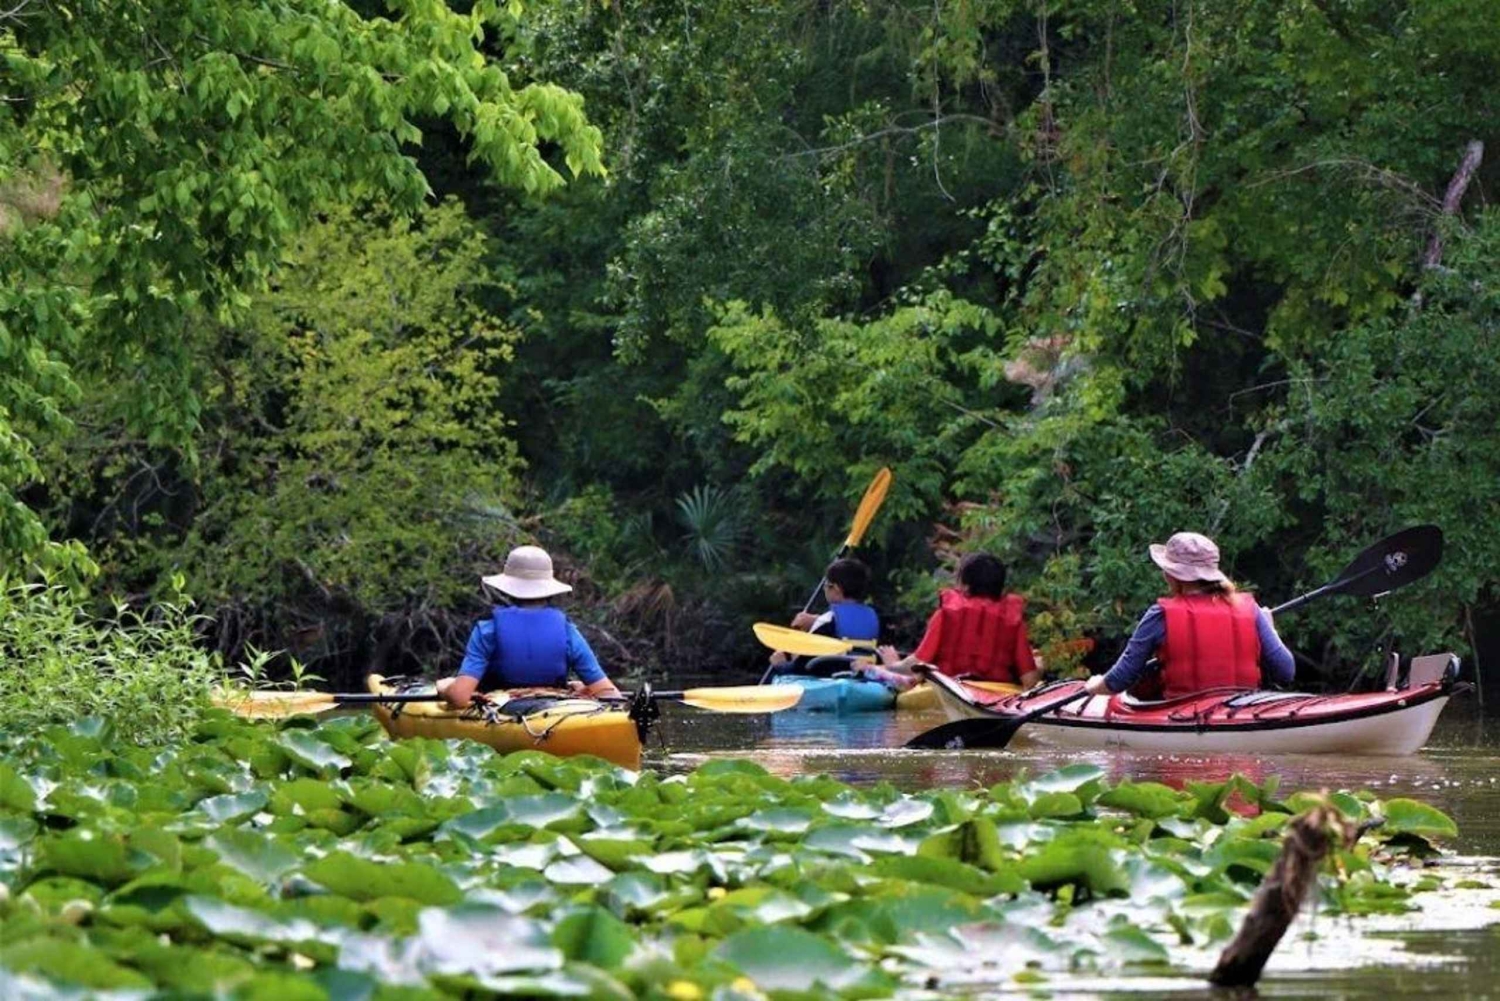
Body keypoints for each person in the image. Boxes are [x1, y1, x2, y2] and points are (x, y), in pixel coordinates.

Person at [1083, 531, 1295, 699]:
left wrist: (1094, 686)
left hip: (1186, 716)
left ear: (1171, 574)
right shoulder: (1250, 609)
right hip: (1243, 710)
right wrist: (1271, 629)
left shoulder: (1160, 615)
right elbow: (1286, 672)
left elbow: (1119, 681)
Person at [438, 545, 622, 708]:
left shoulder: (487, 631)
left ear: (507, 588)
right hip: (554, 711)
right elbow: (611, 696)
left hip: (501, 709)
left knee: (449, 684)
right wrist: (587, 689)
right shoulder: (567, 632)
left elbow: (459, 698)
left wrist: (445, 688)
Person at [870, 552, 1041, 690]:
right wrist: (1040, 667)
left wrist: (892, 664)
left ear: (965, 585)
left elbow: (916, 664)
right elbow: (1030, 680)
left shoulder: (946, 614)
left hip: (949, 689)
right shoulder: (1012, 620)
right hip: (998, 694)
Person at [765, 558, 880, 676]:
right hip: (864, 681)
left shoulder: (827, 621)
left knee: (777, 669)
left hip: (829, 684)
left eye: (826, 585)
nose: (824, 589)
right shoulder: (875, 617)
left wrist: (781, 664)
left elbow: (801, 667)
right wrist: (816, 621)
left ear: (836, 589)